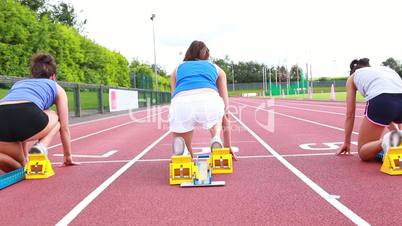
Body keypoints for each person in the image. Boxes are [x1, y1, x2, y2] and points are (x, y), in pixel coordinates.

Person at [0, 53, 76, 173]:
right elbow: (64, 128)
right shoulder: (56, 87)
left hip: (2, 117)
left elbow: (15, 113)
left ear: (33, 75)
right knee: (57, 119)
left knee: (21, 168)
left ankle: (24, 161)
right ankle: (40, 147)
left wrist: (25, 157)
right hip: (28, 113)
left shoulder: (18, 84)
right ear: (53, 76)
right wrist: (67, 155)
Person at [169, 40, 231, 157]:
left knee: (180, 129)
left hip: (181, 103)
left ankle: (184, 152)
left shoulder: (176, 70)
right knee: (219, 115)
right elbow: (226, 111)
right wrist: (228, 147)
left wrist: (177, 131)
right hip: (209, 101)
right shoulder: (216, 69)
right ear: (207, 54)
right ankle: (216, 137)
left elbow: (174, 98)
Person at [337, 58, 402, 161]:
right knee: (390, 116)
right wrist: (398, 132)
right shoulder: (385, 70)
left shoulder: (352, 78)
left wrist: (347, 142)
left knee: (363, 152)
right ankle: (397, 138)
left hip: (382, 100)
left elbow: (350, 114)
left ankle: (385, 140)